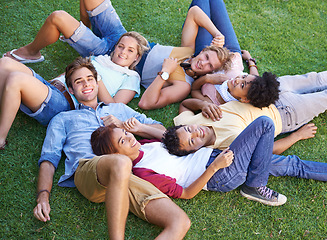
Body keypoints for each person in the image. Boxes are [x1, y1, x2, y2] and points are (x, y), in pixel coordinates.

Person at [32, 58, 190, 239]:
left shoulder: (119, 109)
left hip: (124, 176)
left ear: (97, 82)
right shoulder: (63, 119)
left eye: (90, 78)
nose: (86, 84)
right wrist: (43, 196)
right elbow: (49, 158)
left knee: (180, 221)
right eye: (79, 81)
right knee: (121, 161)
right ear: (71, 90)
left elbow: (162, 132)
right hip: (89, 170)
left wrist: (128, 125)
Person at [2, 0, 238, 109]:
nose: (203, 62)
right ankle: (81, 33)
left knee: (58, 17)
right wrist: (217, 33)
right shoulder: (188, 50)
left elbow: (146, 103)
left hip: (114, 58)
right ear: (203, 50)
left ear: (209, 73)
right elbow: (195, 11)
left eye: (209, 66)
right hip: (125, 39)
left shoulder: (183, 84)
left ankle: (40, 50)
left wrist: (164, 74)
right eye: (206, 56)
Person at [91, 116, 327, 207]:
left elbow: (165, 134)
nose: (129, 138)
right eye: (122, 141)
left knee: (291, 164)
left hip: (216, 155)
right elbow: (184, 193)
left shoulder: (143, 145)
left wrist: (131, 126)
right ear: (116, 155)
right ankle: (254, 186)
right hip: (220, 172)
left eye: (125, 133)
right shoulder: (142, 173)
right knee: (264, 124)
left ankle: (257, 177)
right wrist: (215, 166)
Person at [165, 99, 317, 155]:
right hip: (286, 115)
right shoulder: (228, 145)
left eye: (189, 130)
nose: (196, 132)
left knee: (318, 78)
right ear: (195, 151)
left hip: (269, 95)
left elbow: (185, 104)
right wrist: (297, 136)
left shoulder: (185, 123)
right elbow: (266, 150)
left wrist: (203, 104)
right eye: (192, 141)